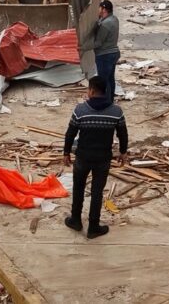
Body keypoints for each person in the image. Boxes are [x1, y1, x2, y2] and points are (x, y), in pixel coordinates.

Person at [62, 76, 127, 239]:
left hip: (82, 157)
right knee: (97, 192)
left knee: (78, 188)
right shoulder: (116, 112)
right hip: (103, 158)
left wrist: (66, 153)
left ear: (91, 91)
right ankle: (93, 227)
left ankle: (75, 220)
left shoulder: (80, 110)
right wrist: (123, 152)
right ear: (106, 91)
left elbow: (70, 133)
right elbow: (123, 133)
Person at [91, 0, 120, 103]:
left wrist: (84, 47)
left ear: (104, 9)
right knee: (110, 79)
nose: (97, 10)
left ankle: (105, 103)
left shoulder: (105, 24)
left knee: (103, 81)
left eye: (99, 8)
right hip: (113, 53)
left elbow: (98, 43)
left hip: (105, 55)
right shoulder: (114, 19)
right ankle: (110, 101)